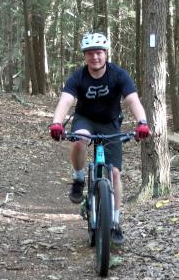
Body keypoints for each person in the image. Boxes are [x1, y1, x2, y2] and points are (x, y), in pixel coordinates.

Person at [48, 32, 151, 245]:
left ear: (106, 54)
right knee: (80, 139)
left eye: (99, 53)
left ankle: (114, 222)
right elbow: (65, 101)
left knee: (114, 173)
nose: (95, 57)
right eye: (90, 54)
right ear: (85, 57)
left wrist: (142, 122)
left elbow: (133, 101)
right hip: (85, 120)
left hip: (110, 123)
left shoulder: (118, 75)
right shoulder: (78, 77)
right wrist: (57, 123)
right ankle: (78, 178)